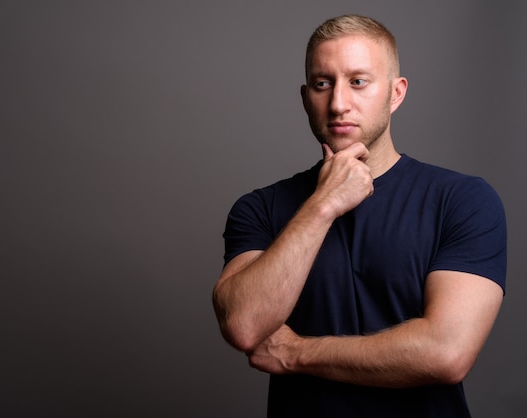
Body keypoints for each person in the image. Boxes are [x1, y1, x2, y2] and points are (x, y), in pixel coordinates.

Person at [212, 14, 506, 418]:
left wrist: (296, 353)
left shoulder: (463, 200)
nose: (337, 103)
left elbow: (446, 352)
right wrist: (323, 204)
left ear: (396, 93)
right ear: (305, 97)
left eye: (358, 81)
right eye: (322, 84)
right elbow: (244, 326)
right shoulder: (260, 208)